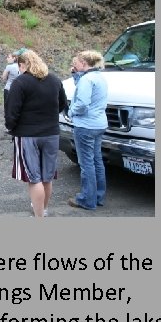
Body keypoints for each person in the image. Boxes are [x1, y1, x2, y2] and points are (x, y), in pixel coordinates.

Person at [4, 50, 68, 217]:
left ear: (22, 64)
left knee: (34, 178)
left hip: (27, 135)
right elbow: (62, 104)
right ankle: (43, 210)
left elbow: (11, 111)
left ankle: (39, 217)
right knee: (47, 177)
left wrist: (11, 127)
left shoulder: (20, 82)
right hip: (51, 133)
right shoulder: (54, 80)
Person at [67, 50, 109, 211]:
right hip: (99, 124)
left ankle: (87, 199)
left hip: (86, 125)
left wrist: (71, 112)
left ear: (84, 63)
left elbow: (82, 103)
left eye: (76, 63)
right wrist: (75, 75)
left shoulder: (87, 80)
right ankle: (98, 196)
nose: (74, 65)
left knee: (86, 163)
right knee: (97, 160)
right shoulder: (99, 77)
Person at [1, 48, 24, 114]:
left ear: (14, 58)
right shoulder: (22, 67)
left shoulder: (9, 67)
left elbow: (3, 77)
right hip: (18, 90)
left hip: (8, 89)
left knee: (7, 109)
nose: (7, 59)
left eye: (8, 57)